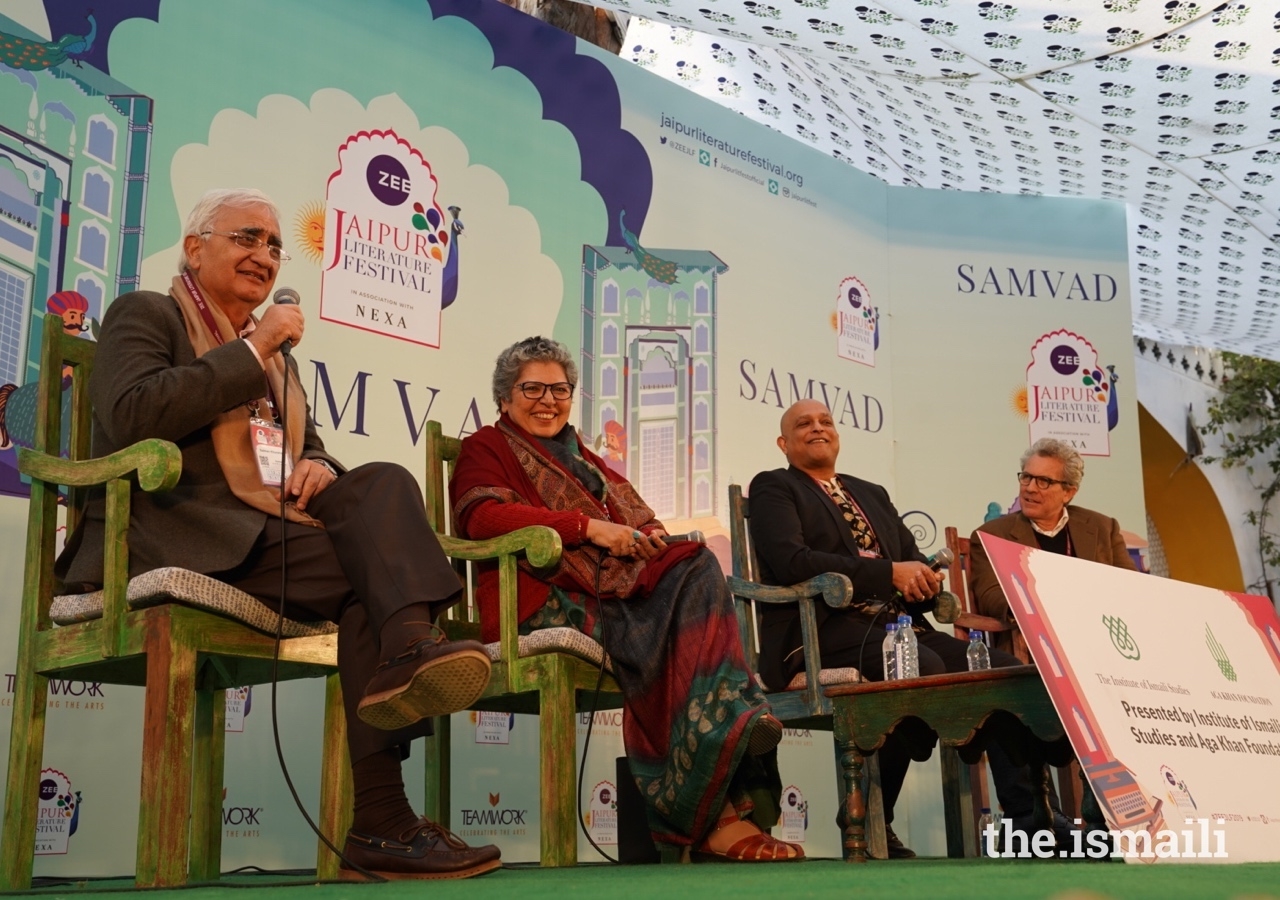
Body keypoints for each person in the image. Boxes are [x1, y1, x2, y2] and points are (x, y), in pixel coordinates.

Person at [55, 188, 500, 880]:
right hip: (173, 530)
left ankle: (406, 657)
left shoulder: (277, 364)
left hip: (268, 530)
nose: (263, 255)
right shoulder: (147, 313)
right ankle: (383, 816)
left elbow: (311, 446)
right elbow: (131, 413)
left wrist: (318, 468)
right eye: (246, 238)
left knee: (380, 482)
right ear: (195, 247)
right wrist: (256, 345)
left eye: (272, 245)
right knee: (369, 578)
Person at [449, 336, 800, 862]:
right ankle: (728, 774)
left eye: (560, 389)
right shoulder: (486, 447)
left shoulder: (585, 459)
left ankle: (727, 759)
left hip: (612, 595)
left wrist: (650, 536)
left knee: (696, 565)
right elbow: (481, 518)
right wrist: (585, 527)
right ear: (504, 398)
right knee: (683, 621)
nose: (548, 400)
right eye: (532, 389)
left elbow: (639, 515)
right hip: (539, 599)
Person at [748, 399, 1026, 859]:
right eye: (803, 424)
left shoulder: (870, 491)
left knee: (1005, 672)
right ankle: (877, 813)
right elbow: (790, 562)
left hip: (896, 624)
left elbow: (907, 558)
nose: (818, 428)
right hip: (817, 631)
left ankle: (1029, 821)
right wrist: (887, 574)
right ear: (784, 443)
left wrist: (920, 581)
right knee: (919, 663)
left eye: (826, 421)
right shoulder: (775, 487)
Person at [969, 438, 1137, 658]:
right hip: (1032, 644)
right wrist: (1041, 606)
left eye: (1044, 481)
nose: (1030, 488)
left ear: (1068, 492)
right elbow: (991, 596)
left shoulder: (1102, 527)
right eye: (1026, 477)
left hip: (1100, 641)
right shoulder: (993, 535)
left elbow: (1131, 586)